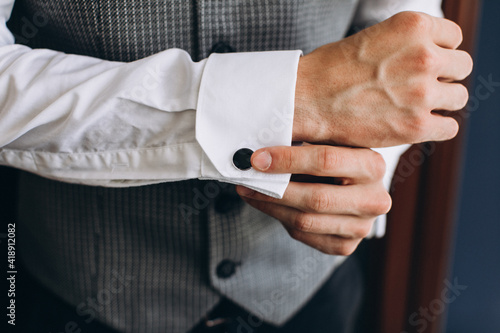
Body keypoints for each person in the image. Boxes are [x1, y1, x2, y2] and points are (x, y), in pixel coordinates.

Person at [0, 0, 472, 332]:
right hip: (74, 291)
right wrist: (289, 97)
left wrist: (367, 165)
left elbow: (403, 19)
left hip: (310, 291)